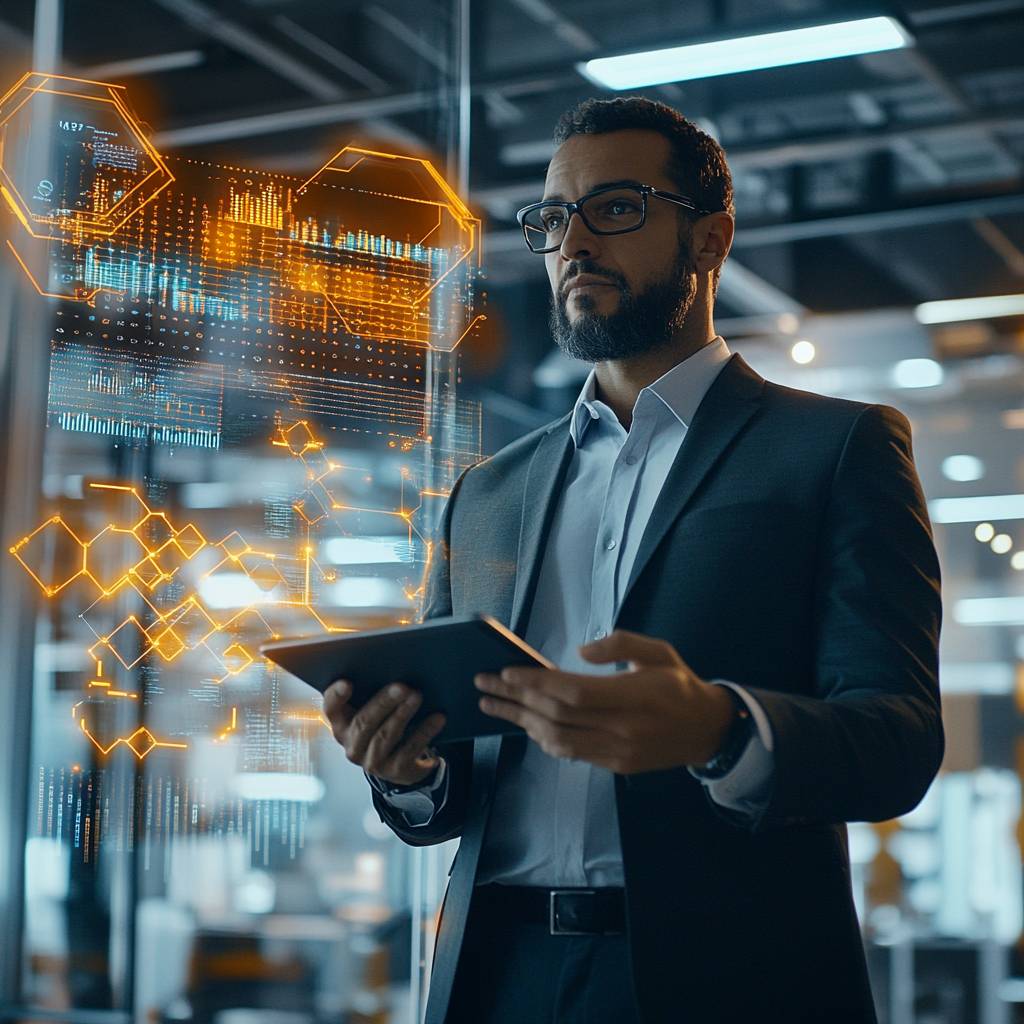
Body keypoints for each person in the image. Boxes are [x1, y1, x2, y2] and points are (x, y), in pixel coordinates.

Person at [322, 97, 943, 1024]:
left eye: (615, 208)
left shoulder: (835, 450)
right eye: (554, 218)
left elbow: (898, 741)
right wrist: (407, 771)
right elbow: (454, 786)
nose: (574, 242)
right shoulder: (487, 494)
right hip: (496, 977)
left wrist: (717, 729)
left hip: (729, 978)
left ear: (709, 240)